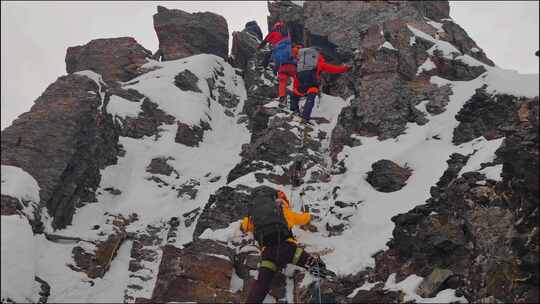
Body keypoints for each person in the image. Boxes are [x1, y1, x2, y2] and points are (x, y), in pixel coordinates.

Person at [241, 186, 333, 303]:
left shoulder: (255, 215)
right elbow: (302, 219)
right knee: (315, 266)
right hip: (288, 249)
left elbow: (245, 226)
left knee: (261, 285)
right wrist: (310, 216)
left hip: (268, 254)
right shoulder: (284, 211)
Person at [290, 47, 350, 123]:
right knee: (310, 99)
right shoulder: (318, 63)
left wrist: (295, 89)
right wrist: (344, 69)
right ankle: (305, 117)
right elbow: (332, 69)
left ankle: (294, 111)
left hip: (301, 85)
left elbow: (297, 77)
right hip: (312, 84)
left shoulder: (301, 64)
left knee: (294, 96)